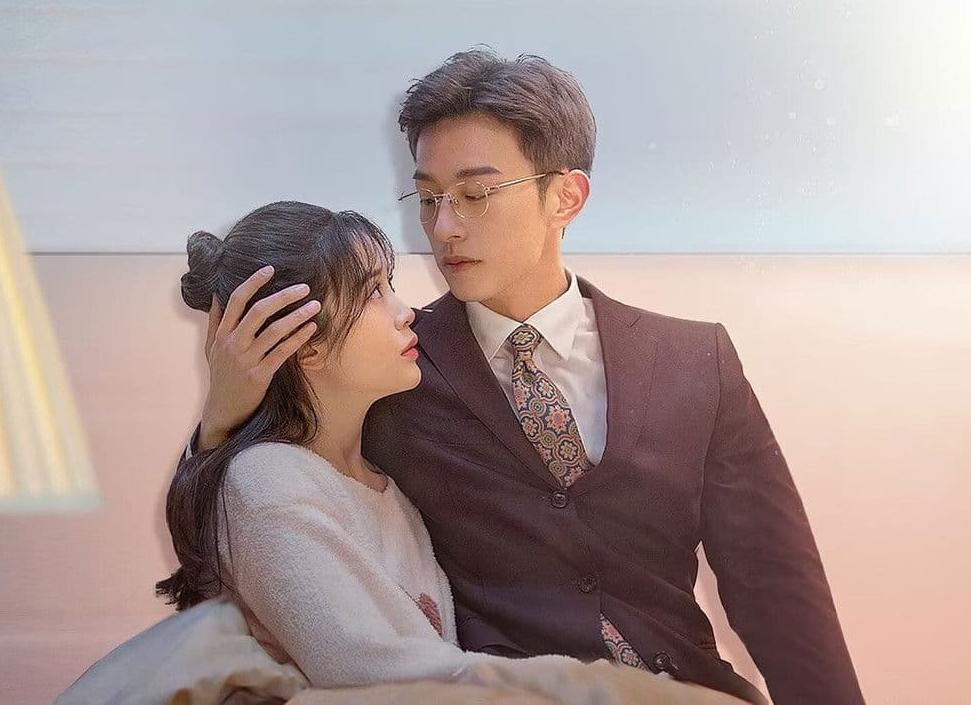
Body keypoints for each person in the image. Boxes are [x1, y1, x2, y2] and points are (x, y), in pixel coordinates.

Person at [179, 50, 864, 705]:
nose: (443, 228)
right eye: (428, 198)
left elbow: (777, 584)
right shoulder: (393, 371)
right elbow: (256, 532)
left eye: (475, 193)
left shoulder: (696, 360)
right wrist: (219, 423)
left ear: (565, 196)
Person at [154, 200, 739, 704]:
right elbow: (377, 672)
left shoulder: (384, 484)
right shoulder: (269, 480)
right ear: (303, 344)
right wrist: (604, 689)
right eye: (373, 293)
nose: (406, 311)